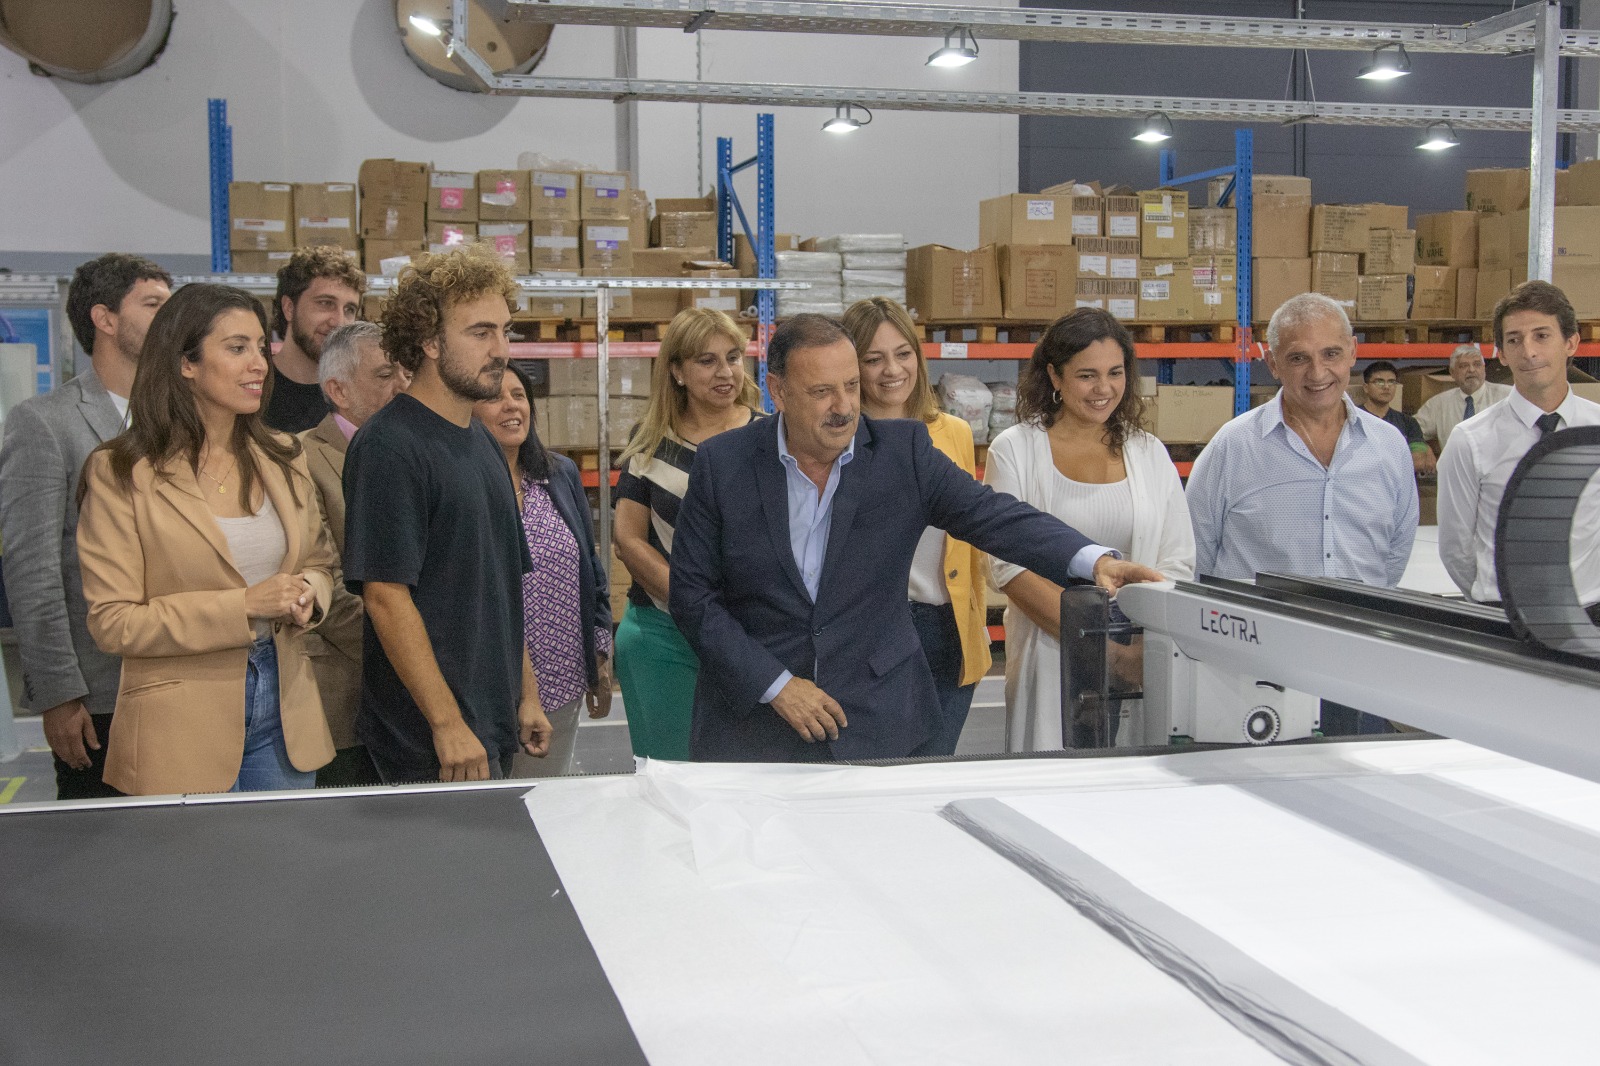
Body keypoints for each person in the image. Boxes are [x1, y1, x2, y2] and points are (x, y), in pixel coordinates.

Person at [669, 314, 1163, 764]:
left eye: (851, 386)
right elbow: (693, 596)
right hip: (754, 728)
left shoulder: (900, 453)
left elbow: (994, 515)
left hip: (876, 720)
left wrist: (1092, 560)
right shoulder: (723, 464)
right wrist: (776, 685)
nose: (844, 407)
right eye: (821, 392)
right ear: (777, 390)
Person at [75, 283, 338, 795]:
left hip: (286, 710)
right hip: (177, 726)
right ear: (185, 363)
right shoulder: (120, 471)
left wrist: (310, 592)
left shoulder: (284, 455)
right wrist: (243, 606)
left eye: (260, 346)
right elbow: (114, 622)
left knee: (282, 850)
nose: (259, 364)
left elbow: (320, 563)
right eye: (237, 348)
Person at [342, 245, 551, 784]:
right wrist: (446, 723)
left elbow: (502, 586)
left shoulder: (481, 441)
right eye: (480, 333)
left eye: (504, 331)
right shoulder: (389, 446)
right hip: (426, 744)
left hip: (491, 725)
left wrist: (526, 694)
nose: (501, 350)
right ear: (430, 342)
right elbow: (386, 597)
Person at [1186, 292, 1418, 736]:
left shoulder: (1388, 447)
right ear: (1272, 363)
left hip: (1357, 667)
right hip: (1253, 673)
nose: (1318, 373)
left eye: (1331, 354)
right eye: (1298, 358)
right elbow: (1195, 555)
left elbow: (1394, 553)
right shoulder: (1234, 447)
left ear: (1353, 352)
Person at [984, 309, 1195, 753]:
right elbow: (1008, 567)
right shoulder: (1015, 450)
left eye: (1115, 373)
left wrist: (1139, 654)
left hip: (1142, 655)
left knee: (1136, 779)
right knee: (1056, 777)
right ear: (1054, 377)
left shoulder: (1148, 451)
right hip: (1050, 651)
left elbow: (1177, 560)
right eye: (1087, 375)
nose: (1104, 389)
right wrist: (1107, 656)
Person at [0, 253, 170, 799]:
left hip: (184, 680)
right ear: (105, 318)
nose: (170, 317)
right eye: (153, 304)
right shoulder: (45, 423)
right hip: (99, 691)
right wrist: (58, 693)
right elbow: (33, 569)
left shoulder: (183, 420)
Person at [612, 307, 763, 760]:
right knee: (673, 778)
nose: (725, 372)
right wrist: (695, 607)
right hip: (662, 637)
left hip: (754, 638)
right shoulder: (650, 439)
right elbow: (628, 539)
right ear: (676, 371)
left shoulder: (772, 437)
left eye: (733, 357)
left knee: (746, 778)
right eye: (706, 360)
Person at [843, 296, 990, 757]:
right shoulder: (836, 437)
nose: (893, 370)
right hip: (871, 634)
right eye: (874, 359)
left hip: (947, 630)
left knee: (932, 775)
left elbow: (969, 539)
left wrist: (974, 630)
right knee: (873, 776)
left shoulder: (953, 433)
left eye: (903, 353)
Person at [474, 362, 613, 777]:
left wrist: (599, 655)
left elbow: (590, 570)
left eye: (518, 395)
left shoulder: (558, 474)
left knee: (548, 797)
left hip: (563, 677)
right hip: (491, 686)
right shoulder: (464, 483)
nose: (511, 405)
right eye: (494, 397)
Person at [1438, 280, 1600, 619]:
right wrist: (1498, 603)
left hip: (1590, 613)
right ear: (1501, 353)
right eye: (1514, 340)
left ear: (1571, 343)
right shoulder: (1470, 440)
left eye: (1541, 336)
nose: (1528, 351)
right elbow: (1456, 548)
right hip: (1504, 614)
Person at [298, 321, 409, 787]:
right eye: (384, 375)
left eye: (405, 372)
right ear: (338, 390)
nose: (402, 385)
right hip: (347, 702)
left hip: (419, 702)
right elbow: (322, 582)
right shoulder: (301, 459)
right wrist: (412, 653)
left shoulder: (414, 452)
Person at [263, 246, 365, 433]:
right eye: (326, 303)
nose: (339, 322)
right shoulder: (254, 387)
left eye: (349, 309)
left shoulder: (357, 397)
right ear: (289, 308)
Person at [1414, 343, 1511, 452]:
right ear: (1452, 372)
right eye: (1464, 366)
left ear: (1484, 369)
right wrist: (1422, 449)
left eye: (1477, 364)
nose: (1471, 370)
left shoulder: (1507, 396)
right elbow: (1411, 431)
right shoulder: (1439, 404)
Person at [1360, 360, 1434, 475]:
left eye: (1391, 382)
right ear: (1366, 387)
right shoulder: (1353, 418)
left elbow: (1418, 462)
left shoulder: (1408, 422)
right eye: (1379, 382)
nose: (1386, 387)